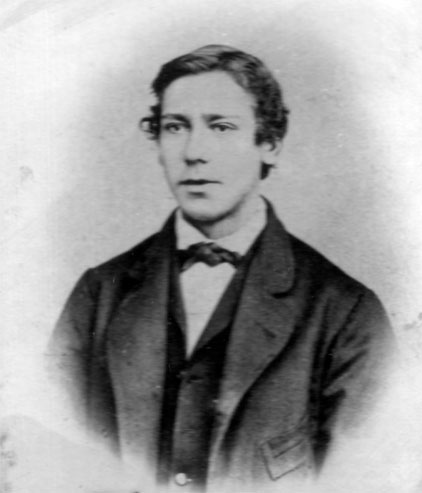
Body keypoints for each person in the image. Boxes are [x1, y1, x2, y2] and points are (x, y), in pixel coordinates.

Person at [49, 44, 394, 492]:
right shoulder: (98, 296)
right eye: (175, 127)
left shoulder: (347, 314)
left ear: (270, 144)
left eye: (221, 127)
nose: (194, 152)